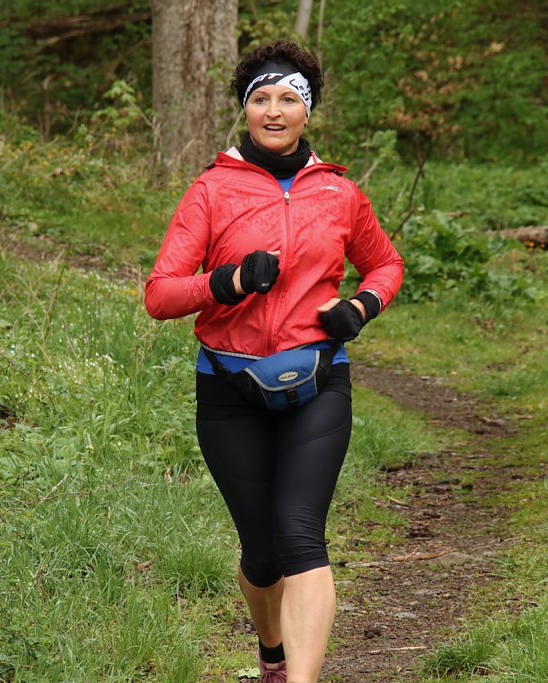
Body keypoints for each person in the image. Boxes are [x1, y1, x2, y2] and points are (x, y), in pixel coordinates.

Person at [144, 39, 403, 683]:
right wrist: (226, 282)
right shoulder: (211, 191)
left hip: (319, 380)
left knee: (299, 533)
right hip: (229, 389)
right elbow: (160, 294)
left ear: (307, 111)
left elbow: (386, 263)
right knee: (261, 554)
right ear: (245, 109)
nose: (274, 111)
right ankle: (272, 653)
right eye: (261, 99)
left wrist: (362, 306)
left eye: (289, 98)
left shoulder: (340, 193)